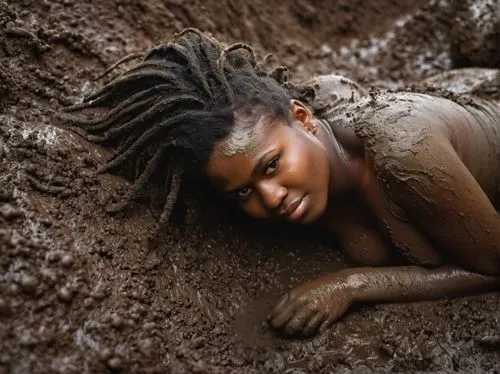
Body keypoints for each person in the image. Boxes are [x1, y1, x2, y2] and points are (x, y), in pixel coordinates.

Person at [64, 29, 500, 337]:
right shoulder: (301, 123)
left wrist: (349, 286)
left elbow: (492, 265)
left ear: (305, 118)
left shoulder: (405, 152)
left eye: (271, 167)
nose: (271, 198)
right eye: (244, 192)